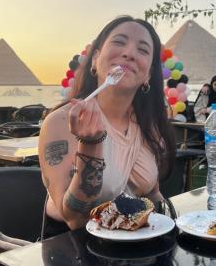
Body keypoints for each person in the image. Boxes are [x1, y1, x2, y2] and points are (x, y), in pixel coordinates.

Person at [38, 15, 176, 235]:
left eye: (142, 50)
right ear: (95, 59)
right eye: (119, 42)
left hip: (136, 246)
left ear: (148, 74)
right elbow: (74, 218)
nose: (129, 53)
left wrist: (176, 224)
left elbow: (153, 195)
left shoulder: (148, 126)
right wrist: (91, 144)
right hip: (73, 250)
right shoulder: (62, 122)